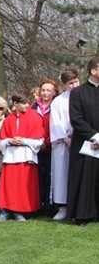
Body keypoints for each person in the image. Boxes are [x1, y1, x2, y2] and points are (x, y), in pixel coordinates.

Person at [0, 93, 44, 221]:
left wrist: (24, 141)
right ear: (15, 104)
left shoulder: (34, 118)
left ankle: (19, 211)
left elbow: (39, 140)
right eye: (23, 103)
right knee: (8, 186)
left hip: (26, 157)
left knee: (22, 186)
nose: (27, 105)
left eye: (28, 102)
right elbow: (1, 141)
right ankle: (5, 211)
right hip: (11, 157)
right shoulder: (8, 120)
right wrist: (10, 141)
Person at [66, 57, 99, 225]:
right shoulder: (78, 93)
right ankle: (82, 214)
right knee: (83, 177)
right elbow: (76, 119)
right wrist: (95, 136)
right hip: (85, 143)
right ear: (93, 71)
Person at [50, 68, 80, 221]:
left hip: (80, 139)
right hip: (63, 142)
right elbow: (55, 122)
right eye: (70, 83)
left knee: (78, 173)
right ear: (64, 85)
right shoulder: (58, 101)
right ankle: (62, 207)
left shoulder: (83, 96)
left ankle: (77, 206)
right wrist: (65, 138)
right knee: (62, 173)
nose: (74, 85)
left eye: (76, 81)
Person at [33, 78, 58, 215]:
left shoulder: (56, 107)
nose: (45, 93)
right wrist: (38, 143)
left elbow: (56, 127)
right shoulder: (33, 107)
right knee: (37, 177)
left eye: (49, 90)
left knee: (49, 176)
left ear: (54, 92)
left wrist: (47, 142)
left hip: (50, 148)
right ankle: (37, 204)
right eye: (43, 90)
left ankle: (48, 205)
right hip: (36, 148)